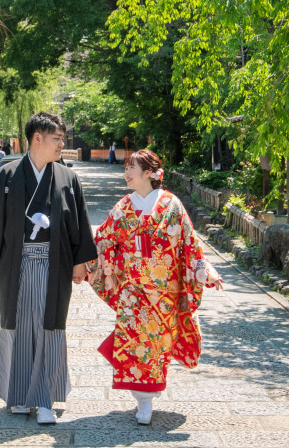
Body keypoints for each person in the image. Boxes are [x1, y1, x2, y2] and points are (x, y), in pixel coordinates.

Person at [0, 111, 97, 424]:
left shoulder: (67, 178)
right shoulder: (7, 173)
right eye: (56, 138)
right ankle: (17, 395)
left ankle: (45, 399)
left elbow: (79, 220)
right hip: (15, 262)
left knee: (50, 325)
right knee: (17, 324)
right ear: (37, 138)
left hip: (55, 262)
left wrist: (82, 260)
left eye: (62, 139)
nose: (61, 144)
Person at [89, 149, 222, 426]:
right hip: (132, 292)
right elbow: (103, 238)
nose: (126, 173)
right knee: (135, 343)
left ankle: (145, 399)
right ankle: (143, 400)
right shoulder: (123, 206)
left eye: (132, 168)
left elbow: (189, 243)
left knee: (156, 346)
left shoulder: (172, 205)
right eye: (126, 168)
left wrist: (203, 269)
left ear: (149, 173)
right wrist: (82, 260)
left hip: (163, 294)